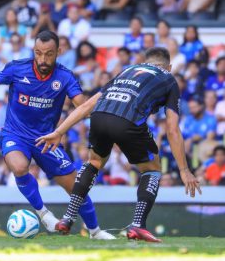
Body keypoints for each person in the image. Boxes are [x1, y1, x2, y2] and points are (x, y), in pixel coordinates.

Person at [0, 30, 114, 240]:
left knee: (77, 188)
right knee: (19, 167)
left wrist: (102, 100)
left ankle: (95, 232)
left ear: (59, 51)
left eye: (49, 54)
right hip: (15, 134)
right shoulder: (17, 69)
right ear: (33, 51)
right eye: (38, 53)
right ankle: (44, 214)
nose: (43, 59)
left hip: (47, 139)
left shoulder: (65, 76)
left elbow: (82, 108)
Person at [36, 47, 201, 242]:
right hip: (127, 121)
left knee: (94, 162)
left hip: (99, 117)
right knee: (152, 169)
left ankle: (68, 217)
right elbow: (172, 129)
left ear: (145, 62)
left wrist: (58, 131)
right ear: (169, 67)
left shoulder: (127, 70)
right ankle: (138, 224)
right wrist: (184, 169)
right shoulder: (168, 78)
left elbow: (87, 106)